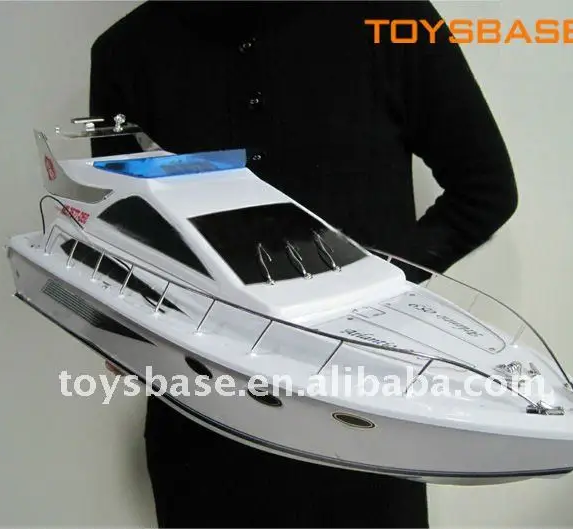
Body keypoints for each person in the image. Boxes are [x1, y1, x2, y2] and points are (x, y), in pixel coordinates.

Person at [89, 1, 517, 527]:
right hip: (204, 420)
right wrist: (126, 316)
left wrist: (366, 285)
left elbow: (484, 189)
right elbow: (120, 223)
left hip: (362, 413)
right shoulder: (125, 51)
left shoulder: (389, 18)